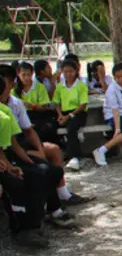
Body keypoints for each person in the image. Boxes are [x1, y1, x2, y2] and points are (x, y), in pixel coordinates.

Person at [1, 65, 91, 224]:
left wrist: (38, 151)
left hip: (17, 146)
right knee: (40, 170)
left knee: (51, 159)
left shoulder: (13, 105)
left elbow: (25, 133)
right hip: (8, 153)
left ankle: (59, 201)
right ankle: (33, 220)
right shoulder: (5, 111)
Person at [53, 58, 88, 171]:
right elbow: (57, 103)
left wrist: (69, 116)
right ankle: (61, 152)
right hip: (64, 113)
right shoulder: (60, 87)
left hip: (78, 112)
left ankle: (74, 157)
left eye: (71, 71)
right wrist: (60, 115)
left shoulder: (81, 86)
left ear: (76, 71)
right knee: (51, 126)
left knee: (72, 128)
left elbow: (82, 104)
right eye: (65, 71)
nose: (68, 74)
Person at [14, 61, 58, 143]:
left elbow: (44, 107)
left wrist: (32, 106)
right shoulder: (14, 90)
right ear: (18, 74)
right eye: (23, 75)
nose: (26, 78)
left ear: (32, 74)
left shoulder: (39, 87)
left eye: (29, 75)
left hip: (38, 116)